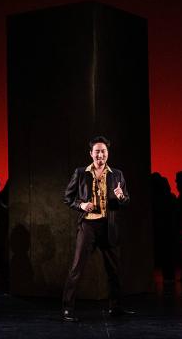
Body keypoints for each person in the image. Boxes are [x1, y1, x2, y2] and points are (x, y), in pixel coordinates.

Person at [61, 136, 131, 322]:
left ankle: (115, 307)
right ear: (91, 153)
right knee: (77, 268)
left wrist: (121, 196)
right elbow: (67, 198)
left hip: (108, 225)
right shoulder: (81, 172)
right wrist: (81, 205)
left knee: (114, 270)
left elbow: (125, 201)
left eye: (104, 151)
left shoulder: (117, 174)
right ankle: (67, 309)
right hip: (88, 225)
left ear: (108, 153)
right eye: (97, 151)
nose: (101, 154)